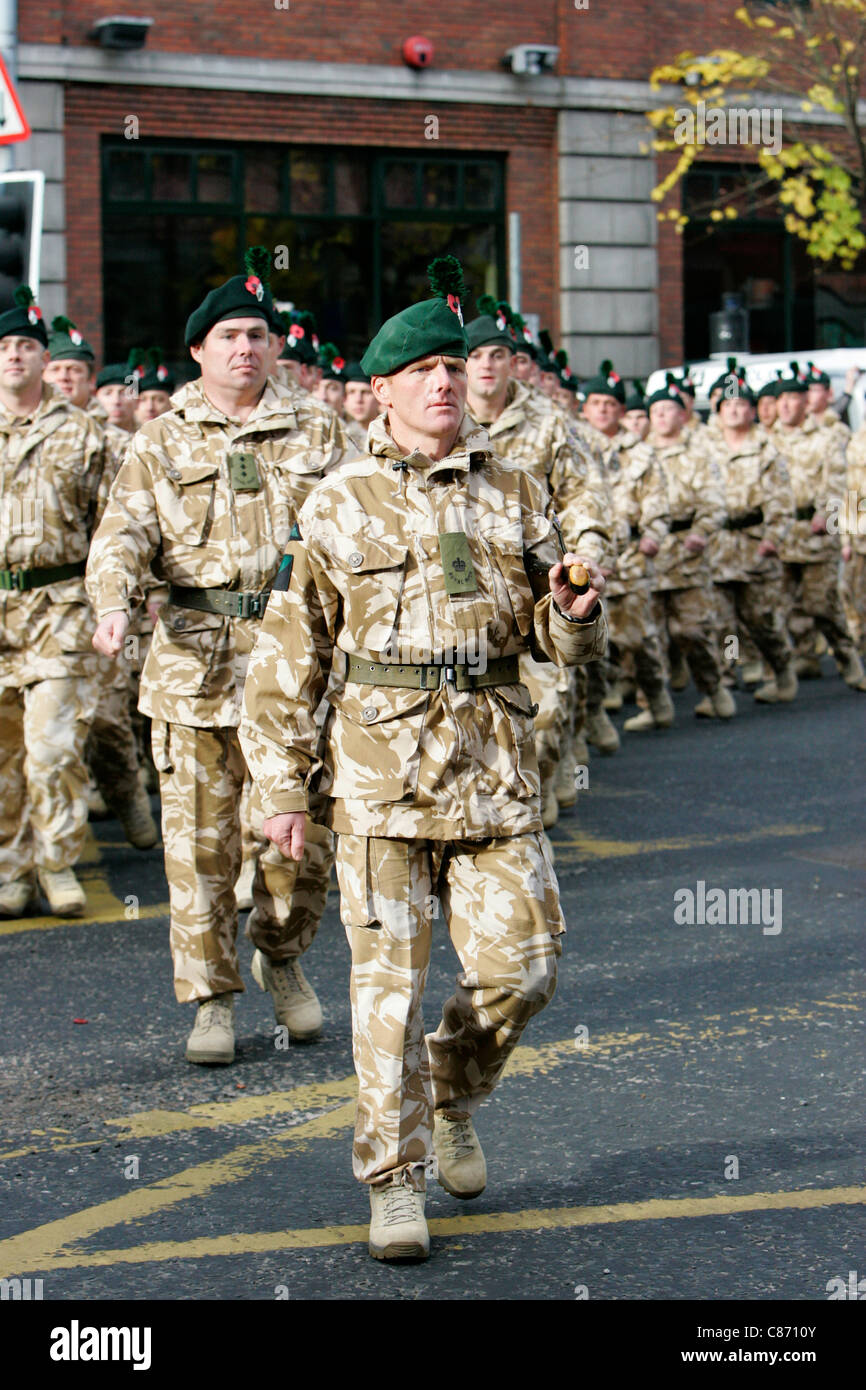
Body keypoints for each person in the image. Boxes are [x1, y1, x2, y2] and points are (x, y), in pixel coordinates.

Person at [239, 257, 607, 1262]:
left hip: (493, 767)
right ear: (383, 389)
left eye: (454, 367)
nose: (444, 383)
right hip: (377, 778)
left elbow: (549, 626)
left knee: (523, 969)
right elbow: (286, 655)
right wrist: (279, 789)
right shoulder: (336, 501)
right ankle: (392, 1179)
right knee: (383, 995)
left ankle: (454, 1089)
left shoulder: (515, 491)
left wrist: (571, 614)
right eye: (423, 371)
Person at [87, 249, 352, 1063]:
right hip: (194, 667)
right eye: (231, 336)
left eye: (260, 335)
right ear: (198, 350)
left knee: (298, 844)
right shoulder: (160, 439)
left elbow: (359, 527)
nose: (247, 348)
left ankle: (283, 957)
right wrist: (111, 603)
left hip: (296, 666)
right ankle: (209, 998)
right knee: (199, 850)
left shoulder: (320, 426)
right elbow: (122, 533)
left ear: (277, 348)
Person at [464, 296, 610, 826]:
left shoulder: (548, 423)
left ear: (511, 362)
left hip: (542, 582)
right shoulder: (443, 422)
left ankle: (543, 778)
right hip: (472, 590)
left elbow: (585, 492)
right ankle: (505, 798)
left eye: (497, 354)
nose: (486, 365)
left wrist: (589, 548)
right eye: (474, 355)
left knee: (546, 710)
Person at [0, 287, 110, 917]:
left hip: (60, 605)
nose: (15, 357)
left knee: (50, 748)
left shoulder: (83, 432)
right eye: (6, 347)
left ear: (46, 359)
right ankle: (12, 869)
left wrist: (117, 601)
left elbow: (112, 525)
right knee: (5, 754)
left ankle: (58, 861)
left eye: (26, 347)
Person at [691, 369, 799, 705]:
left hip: (754, 545)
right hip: (718, 546)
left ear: (751, 410)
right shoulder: (703, 447)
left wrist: (773, 537)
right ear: (718, 411)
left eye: (741, 404)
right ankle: (726, 678)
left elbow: (782, 500)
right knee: (722, 622)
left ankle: (781, 670)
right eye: (728, 405)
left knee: (762, 620)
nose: (735, 410)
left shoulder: (766, 449)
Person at [773, 364, 866, 691]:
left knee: (821, 604)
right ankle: (792, 665)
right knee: (779, 608)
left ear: (806, 402)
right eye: (780, 398)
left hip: (814, 535)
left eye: (793, 398)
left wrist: (827, 518)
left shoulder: (829, 437)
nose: (785, 405)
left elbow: (839, 484)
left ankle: (848, 657)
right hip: (780, 537)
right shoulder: (767, 441)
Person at [645, 382, 732, 719]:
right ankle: (652, 703)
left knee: (692, 630)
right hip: (648, 556)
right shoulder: (639, 455)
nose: (662, 417)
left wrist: (701, 532)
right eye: (656, 412)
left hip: (686, 553)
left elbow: (714, 502)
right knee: (646, 635)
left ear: (682, 415)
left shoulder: (699, 455)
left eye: (669, 410)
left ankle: (714, 687)